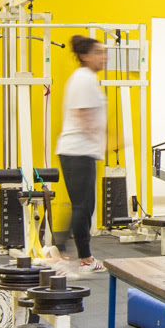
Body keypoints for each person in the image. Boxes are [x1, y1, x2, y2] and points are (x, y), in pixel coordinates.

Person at [56, 34, 108, 274]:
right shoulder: (84, 79)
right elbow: (83, 113)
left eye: (104, 52)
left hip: (81, 150)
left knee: (82, 206)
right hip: (78, 150)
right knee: (83, 206)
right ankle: (84, 258)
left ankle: (60, 248)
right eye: (99, 52)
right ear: (85, 56)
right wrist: (100, 137)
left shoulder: (86, 78)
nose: (103, 57)